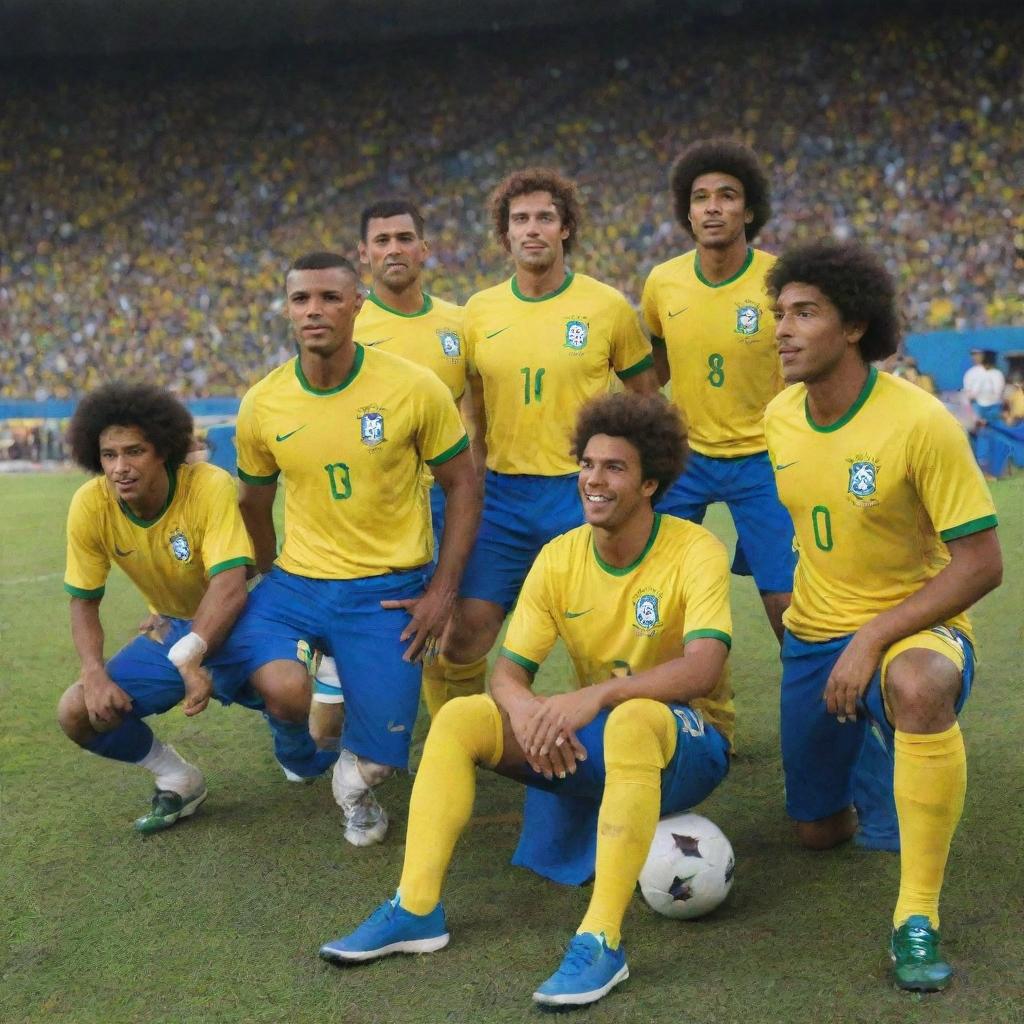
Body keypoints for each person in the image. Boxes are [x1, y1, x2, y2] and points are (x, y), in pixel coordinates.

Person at [320, 391, 735, 1009]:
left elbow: (704, 667)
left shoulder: (693, 549)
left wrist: (594, 697)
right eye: (588, 464)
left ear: (650, 483)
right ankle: (416, 908)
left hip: (689, 742)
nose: (593, 480)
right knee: (462, 718)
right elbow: (508, 674)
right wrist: (528, 713)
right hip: (599, 735)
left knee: (634, 719)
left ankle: (602, 940)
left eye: (614, 468)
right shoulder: (559, 556)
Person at [763, 240, 1002, 991]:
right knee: (815, 833)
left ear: (856, 325)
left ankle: (916, 916)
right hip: (811, 639)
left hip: (910, 629)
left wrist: (872, 635)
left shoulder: (921, 422)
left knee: (919, 687)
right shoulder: (778, 417)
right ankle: (876, 763)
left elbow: (983, 563)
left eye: (805, 312)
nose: (783, 330)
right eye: (779, 313)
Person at [233, 252, 479, 846]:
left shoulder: (413, 388)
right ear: (288, 311)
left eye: (329, 298)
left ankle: (351, 778)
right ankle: (296, 746)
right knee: (276, 687)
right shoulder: (262, 403)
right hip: (297, 583)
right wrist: (261, 579)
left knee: (382, 762)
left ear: (357, 305)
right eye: (301, 300)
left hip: (388, 589)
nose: (314, 310)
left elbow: (464, 484)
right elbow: (252, 505)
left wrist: (441, 593)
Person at [423, 167, 660, 710]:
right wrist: (476, 480)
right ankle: (450, 734)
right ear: (505, 234)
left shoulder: (607, 308)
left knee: (608, 633)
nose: (532, 229)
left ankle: (632, 728)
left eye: (545, 218)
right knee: (466, 633)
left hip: (585, 493)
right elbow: (473, 407)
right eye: (520, 219)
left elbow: (647, 397)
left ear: (566, 229)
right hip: (503, 497)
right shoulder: (478, 312)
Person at [57, 382, 330, 834]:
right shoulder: (90, 505)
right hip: (174, 625)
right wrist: (93, 672)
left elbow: (229, 585)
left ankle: (299, 755)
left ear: (163, 449)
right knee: (77, 711)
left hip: (245, 617)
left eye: (135, 452)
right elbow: (84, 601)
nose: (120, 468)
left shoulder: (208, 486)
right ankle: (176, 775)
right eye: (109, 455)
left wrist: (192, 656)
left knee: (288, 689)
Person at [310, 199, 471, 729]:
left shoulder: (458, 321)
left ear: (425, 249)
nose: (393, 249)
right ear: (363, 254)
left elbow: (476, 408)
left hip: (449, 493)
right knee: (393, 624)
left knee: (456, 621)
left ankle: (453, 731)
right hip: (379, 505)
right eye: (381, 241)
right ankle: (358, 712)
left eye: (404, 238)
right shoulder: (348, 322)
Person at [641, 138, 794, 643]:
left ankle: (823, 711)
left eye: (727, 195)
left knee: (786, 602)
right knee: (655, 588)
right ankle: (670, 706)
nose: (713, 207)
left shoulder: (778, 281)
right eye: (701, 197)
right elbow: (655, 363)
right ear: (687, 211)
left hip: (764, 456)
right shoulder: (663, 283)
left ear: (749, 210)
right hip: (686, 457)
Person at [962, 348, 1006, 428]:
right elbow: (968, 397)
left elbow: (999, 394)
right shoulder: (971, 373)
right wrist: (973, 416)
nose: (975, 357)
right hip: (977, 407)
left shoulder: (997, 374)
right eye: (973, 354)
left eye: (978, 354)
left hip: (994, 408)